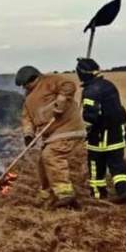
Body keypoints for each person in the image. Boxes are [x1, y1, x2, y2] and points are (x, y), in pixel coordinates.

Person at [15, 65, 86, 209]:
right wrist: (28, 134)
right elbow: (27, 118)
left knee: (51, 156)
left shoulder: (49, 81)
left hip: (67, 128)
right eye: (23, 86)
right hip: (50, 135)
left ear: (34, 78)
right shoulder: (28, 98)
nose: (25, 87)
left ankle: (65, 195)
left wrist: (61, 99)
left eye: (26, 84)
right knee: (42, 161)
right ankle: (48, 194)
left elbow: (69, 85)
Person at [76, 58, 126, 203]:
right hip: (118, 132)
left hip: (100, 136)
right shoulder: (109, 85)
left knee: (96, 164)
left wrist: (82, 120)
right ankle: (124, 190)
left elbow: (91, 117)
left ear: (82, 74)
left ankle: (98, 195)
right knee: (117, 163)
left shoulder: (91, 91)